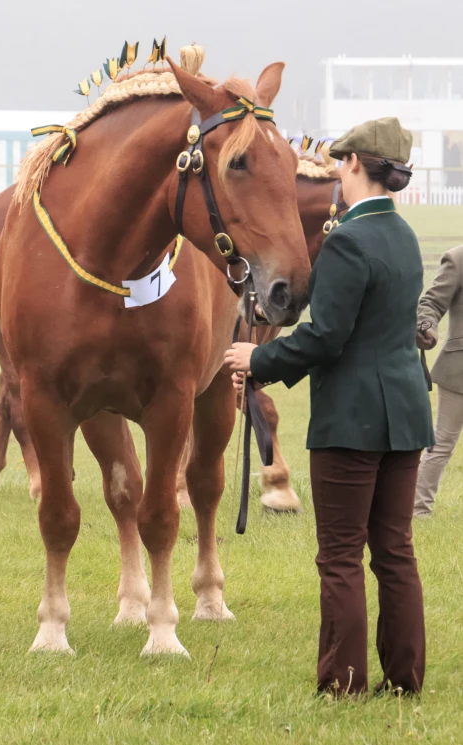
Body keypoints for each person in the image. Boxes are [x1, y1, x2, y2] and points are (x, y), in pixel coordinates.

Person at [224, 117, 434, 696]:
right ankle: (405, 677)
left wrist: (255, 359)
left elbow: (327, 337)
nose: (337, 172)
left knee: (340, 556)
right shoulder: (404, 236)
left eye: (342, 163)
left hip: (351, 422)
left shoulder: (347, 239)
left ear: (357, 167)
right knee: (394, 553)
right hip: (407, 416)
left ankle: (342, 682)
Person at [415, 244, 463, 517]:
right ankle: (419, 511)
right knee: (442, 444)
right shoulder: (458, 258)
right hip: (459, 369)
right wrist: (426, 327)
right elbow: (431, 303)